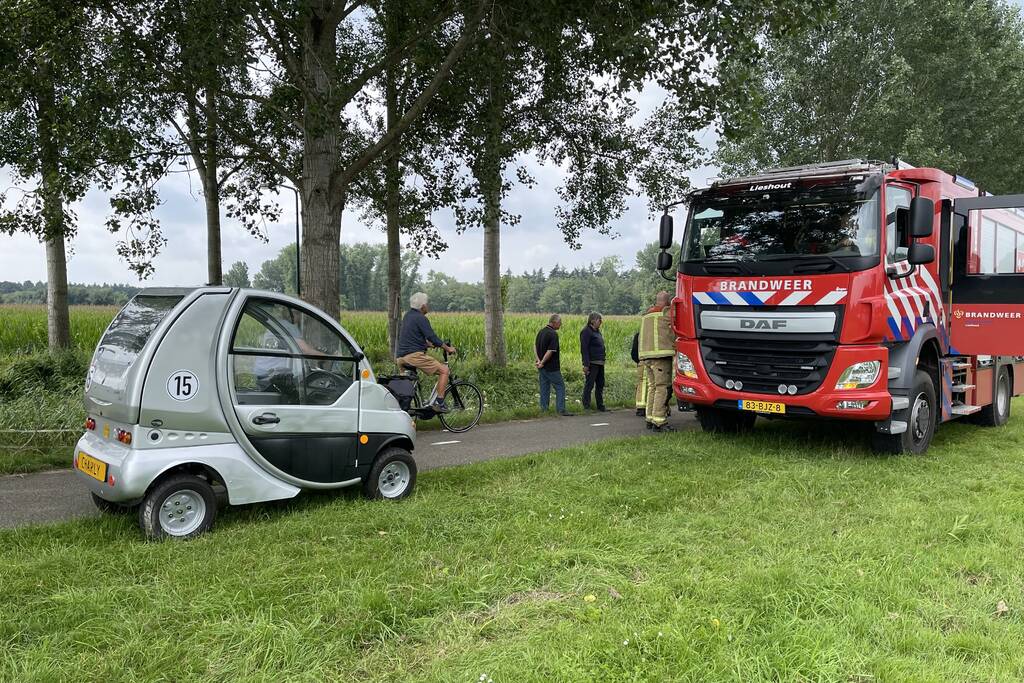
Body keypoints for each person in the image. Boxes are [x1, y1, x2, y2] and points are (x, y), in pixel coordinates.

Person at [396, 292, 456, 413]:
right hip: (414, 356)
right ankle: (440, 403)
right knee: (445, 370)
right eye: (427, 304)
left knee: (408, 385)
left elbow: (411, 336)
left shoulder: (407, 316)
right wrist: (448, 348)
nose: (428, 306)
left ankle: (409, 407)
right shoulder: (421, 318)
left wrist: (426, 344)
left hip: (401, 358)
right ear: (422, 306)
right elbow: (432, 336)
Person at [639, 291, 675, 432]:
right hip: (661, 357)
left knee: (652, 387)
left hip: (646, 357)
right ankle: (660, 421)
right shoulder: (665, 313)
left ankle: (650, 418)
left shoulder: (647, 314)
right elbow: (674, 331)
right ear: (667, 302)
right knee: (662, 388)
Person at [535, 314, 571, 416]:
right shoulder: (553, 334)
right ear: (554, 322)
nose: (560, 325)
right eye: (560, 323)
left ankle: (544, 409)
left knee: (544, 388)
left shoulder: (541, 332)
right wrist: (542, 362)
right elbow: (550, 351)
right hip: (552, 367)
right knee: (560, 386)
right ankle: (561, 410)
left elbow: (535, 347)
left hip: (542, 367)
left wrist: (538, 361)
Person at [580, 312, 606, 411]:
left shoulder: (597, 332)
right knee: (589, 384)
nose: (601, 322)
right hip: (592, 362)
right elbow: (584, 349)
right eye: (599, 320)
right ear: (592, 321)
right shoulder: (586, 331)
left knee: (600, 384)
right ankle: (586, 405)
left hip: (600, 362)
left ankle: (600, 405)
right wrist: (586, 364)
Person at [631, 330, 647, 417]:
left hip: (641, 362)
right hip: (652, 362)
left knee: (641, 384)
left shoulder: (638, 335)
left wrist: (639, 361)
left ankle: (640, 407)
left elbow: (633, 352)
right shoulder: (652, 335)